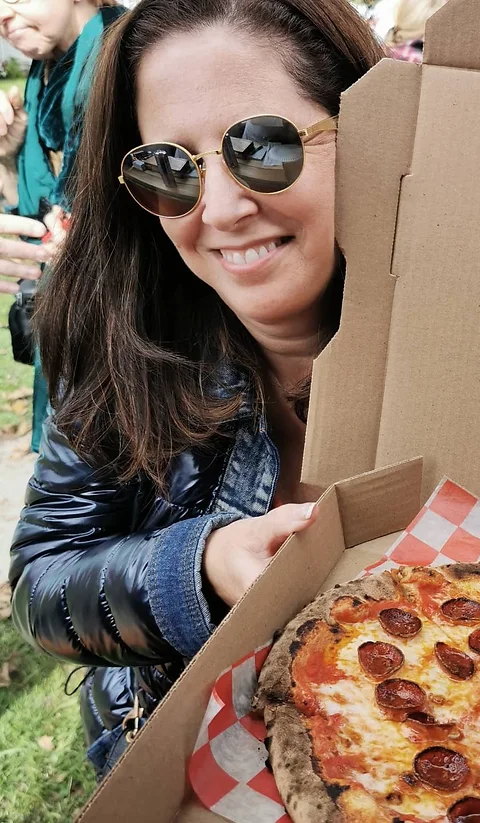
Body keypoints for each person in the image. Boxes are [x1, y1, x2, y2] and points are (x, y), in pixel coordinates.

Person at [8, 0, 383, 777]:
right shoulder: (128, 347)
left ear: (373, 130)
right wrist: (198, 566)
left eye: (264, 146)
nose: (219, 210)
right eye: (169, 168)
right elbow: (43, 584)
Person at [0, 0, 125, 452]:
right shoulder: (40, 77)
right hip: (62, 326)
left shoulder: (135, 52)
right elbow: (33, 212)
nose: (3, 15)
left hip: (125, 330)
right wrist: (8, 157)